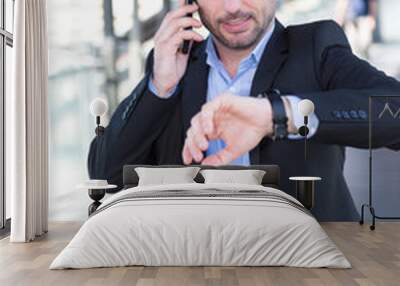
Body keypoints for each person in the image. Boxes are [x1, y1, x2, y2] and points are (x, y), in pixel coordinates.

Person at [88, 0, 400, 221]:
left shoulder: (315, 46)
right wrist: (159, 86)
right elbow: (106, 177)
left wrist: (278, 114)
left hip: (303, 257)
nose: (233, 6)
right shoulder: (175, 64)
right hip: (197, 257)